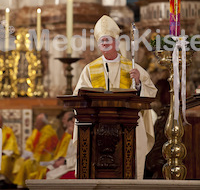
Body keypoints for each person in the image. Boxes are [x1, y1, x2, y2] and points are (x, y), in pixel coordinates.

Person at [73, 15, 158, 179]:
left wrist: (138, 82)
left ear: (116, 43)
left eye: (108, 40)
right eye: (102, 41)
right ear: (98, 45)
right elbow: (79, 95)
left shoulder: (132, 67)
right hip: (98, 124)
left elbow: (151, 92)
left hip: (129, 124)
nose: (104, 44)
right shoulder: (90, 69)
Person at [13, 113, 58, 188]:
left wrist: (32, 157)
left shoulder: (48, 132)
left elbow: (43, 149)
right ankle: (21, 184)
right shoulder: (38, 131)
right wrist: (28, 155)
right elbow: (30, 144)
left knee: (27, 164)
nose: (35, 123)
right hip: (35, 156)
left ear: (42, 122)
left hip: (45, 159)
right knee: (20, 161)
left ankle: (24, 186)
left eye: (37, 121)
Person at [35, 110, 76, 180]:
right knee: (49, 171)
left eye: (72, 125)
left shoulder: (79, 138)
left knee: (50, 175)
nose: (69, 127)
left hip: (72, 165)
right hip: (67, 162)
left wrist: (65, 161)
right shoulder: (70, 136)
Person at [0, 115, 20, 187]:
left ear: (2, 121)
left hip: (4, 154)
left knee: (4, 159)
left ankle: (2, 179)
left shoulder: (8, 131)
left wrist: (4, 152)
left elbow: (11, 144)